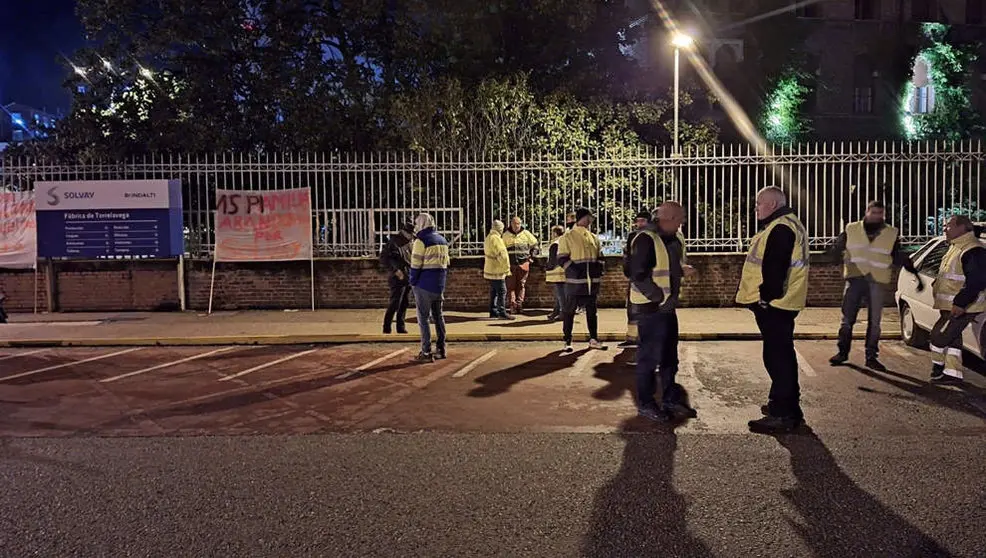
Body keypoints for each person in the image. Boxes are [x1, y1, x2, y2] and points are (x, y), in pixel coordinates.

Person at [736, 186, 809, 434]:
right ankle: (786, 405)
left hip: (776, 304)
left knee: (777, 358)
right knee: (782, 356)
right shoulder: (788, 224)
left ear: (773, 204)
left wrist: (766, 297)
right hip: (785, 303)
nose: (756, 208)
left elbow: (774, 268)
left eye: (759, 203)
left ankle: (783, 414)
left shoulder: (780, 228)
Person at [828, 200, 916, 371]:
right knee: (847, 320)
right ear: (867, 212)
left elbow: (896, 254)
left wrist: (912, 270)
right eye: (874, 213)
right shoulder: (851, 229)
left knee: (874, 323)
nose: (877, 216)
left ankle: (871, 357)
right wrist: (834, 256)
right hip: (855, 279)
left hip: (877, 281)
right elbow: (837, 248)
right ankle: (842, 353)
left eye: (880, 213)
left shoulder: (891, 232)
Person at [630, 201, 697, 421]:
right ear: (667, 218)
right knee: (648, 359)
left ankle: (670, 398)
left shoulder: (674, 238)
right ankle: (646, 403)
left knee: (670, 357)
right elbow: (636, 274)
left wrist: (680, 269)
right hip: (650, 308)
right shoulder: (645, 238)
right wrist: (657, 296)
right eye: (679, 218)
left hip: (668, 308)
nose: (682, 223)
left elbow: (668, 266)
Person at [928, 215, 986, 384]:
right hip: (951, 304)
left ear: (962, 228)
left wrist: (961, 303)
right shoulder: (957, 246)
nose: (944, 229)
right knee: (953, 338)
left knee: (938, 336)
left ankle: (938, 368)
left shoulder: (972, 249)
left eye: (948, 226)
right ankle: (952, 374)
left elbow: (977, 280)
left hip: (965, 306)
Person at [558, 207, 607, 352]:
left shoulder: (593, 237)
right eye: (590, 217)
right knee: (569, 312)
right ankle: (567, 340)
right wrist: (576, 271)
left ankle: (593, 339)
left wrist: (599, 270)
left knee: (592, 312)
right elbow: (562, 259)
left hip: (591, 283)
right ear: (584, 218)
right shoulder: (568, 237)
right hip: (575, 283)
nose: (592, 220)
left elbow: (601, 257)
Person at [408, 213, 450, 361]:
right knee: (439, 317)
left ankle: (426, 352)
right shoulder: (443, 240)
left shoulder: (421, 241)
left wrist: (412, 281)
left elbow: (415, 265)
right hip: (439, 285)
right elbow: (446, 264)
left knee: (423, 319)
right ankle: (441, 348)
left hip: (423, 285)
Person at [619, 210, 653, 348]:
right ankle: (632, 338)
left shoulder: (653, 236)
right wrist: (627, 271)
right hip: (634, 277)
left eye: (643, 221)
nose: (639, 223)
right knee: (632, 308)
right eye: (638, 221)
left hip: (648, 278)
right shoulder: (632, 236)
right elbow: (627, 255)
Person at [380, 220, 415, 334]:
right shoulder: (393, 242)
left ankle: (401, 326)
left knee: (404, 303)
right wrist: (395, 271)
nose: (411, 236)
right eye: (410, 234)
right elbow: (384, 258)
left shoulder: (410, 242)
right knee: (395, 302)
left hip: (408, 274)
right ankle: (387, 326)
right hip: (397, 276)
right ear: (405, 232)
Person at [502, 216, 540, 315]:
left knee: (521, 285)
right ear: (511, 224)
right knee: (510, 287)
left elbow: (535, 246)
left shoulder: (526, 234)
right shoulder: (505, 235)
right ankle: (512, 306)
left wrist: (531, 258)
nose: (516, 226)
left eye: (518, 223)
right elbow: (501, 251)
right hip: (510, 265)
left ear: (521, 224)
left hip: (523, 263)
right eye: (514, 223)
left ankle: (519, 305)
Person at [484, 220, 512, 320]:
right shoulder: (496, 239)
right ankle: (501, 312)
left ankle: (493, 310)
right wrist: (507, 268)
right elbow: (502, 255)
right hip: (497, 269)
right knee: (502, 291)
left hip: (490, 268)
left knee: (494, 291)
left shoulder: (489, 237)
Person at [544, 225, 567, 322]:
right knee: (560, 293)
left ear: (555, 233)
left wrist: (548, 267)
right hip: (565, 271)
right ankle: (556, 311)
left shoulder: (555, 244)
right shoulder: (564, 241)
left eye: (551, 232)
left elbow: (552, 260)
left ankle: (563, 313)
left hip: (557, 272)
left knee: (560, 293)